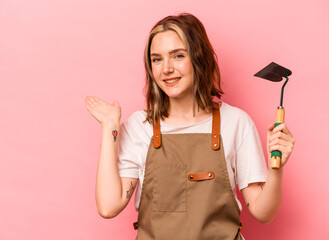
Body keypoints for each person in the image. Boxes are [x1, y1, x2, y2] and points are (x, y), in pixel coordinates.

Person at [85, 13, 295, 240]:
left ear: (199, 58)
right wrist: (110, 127)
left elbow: (264, 213)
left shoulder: (236, 122)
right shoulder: (139, 126)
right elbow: (108, 207)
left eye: (178, 56)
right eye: (156, 59)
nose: (166, 68)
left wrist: (277, 167)